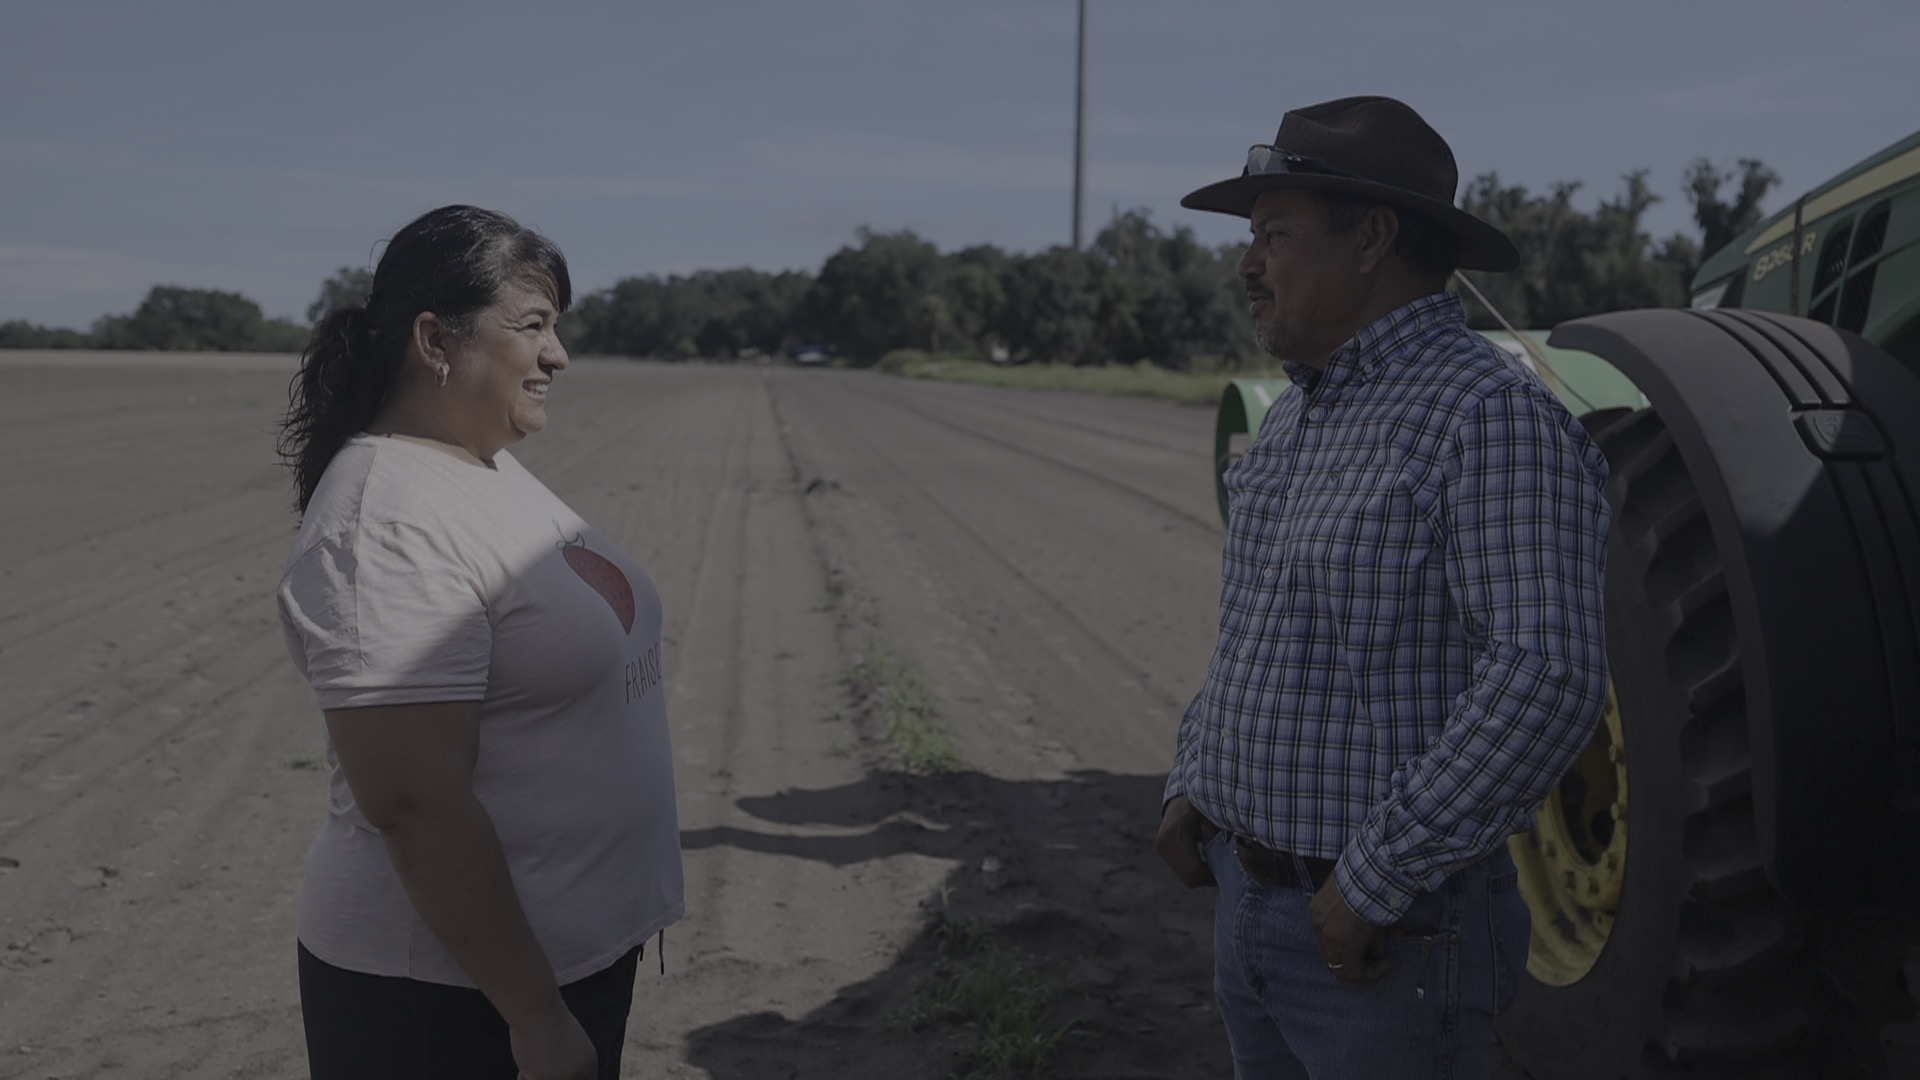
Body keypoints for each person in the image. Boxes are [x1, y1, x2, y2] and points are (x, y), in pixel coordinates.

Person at [1156, 96, 1611, 1077]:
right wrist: (1197, 776)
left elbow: (1547, 676)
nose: (1246, 263)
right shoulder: (1297, 417)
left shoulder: (1489, 417)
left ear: (1370, 238)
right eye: (1250, 238)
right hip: (1255, 909)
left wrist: (1374, 879)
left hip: (1391, 946)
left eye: (1272, 234)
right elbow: (1258, 632)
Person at [275, 205, 684, 1080]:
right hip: (451, 1005)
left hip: (551, 970)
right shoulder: (380, 523)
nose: (558, 354)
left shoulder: (480, 463)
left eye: (556, 328)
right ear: (435, 340)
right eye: (533, 326)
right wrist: (535, 1016)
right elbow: (416, 806)